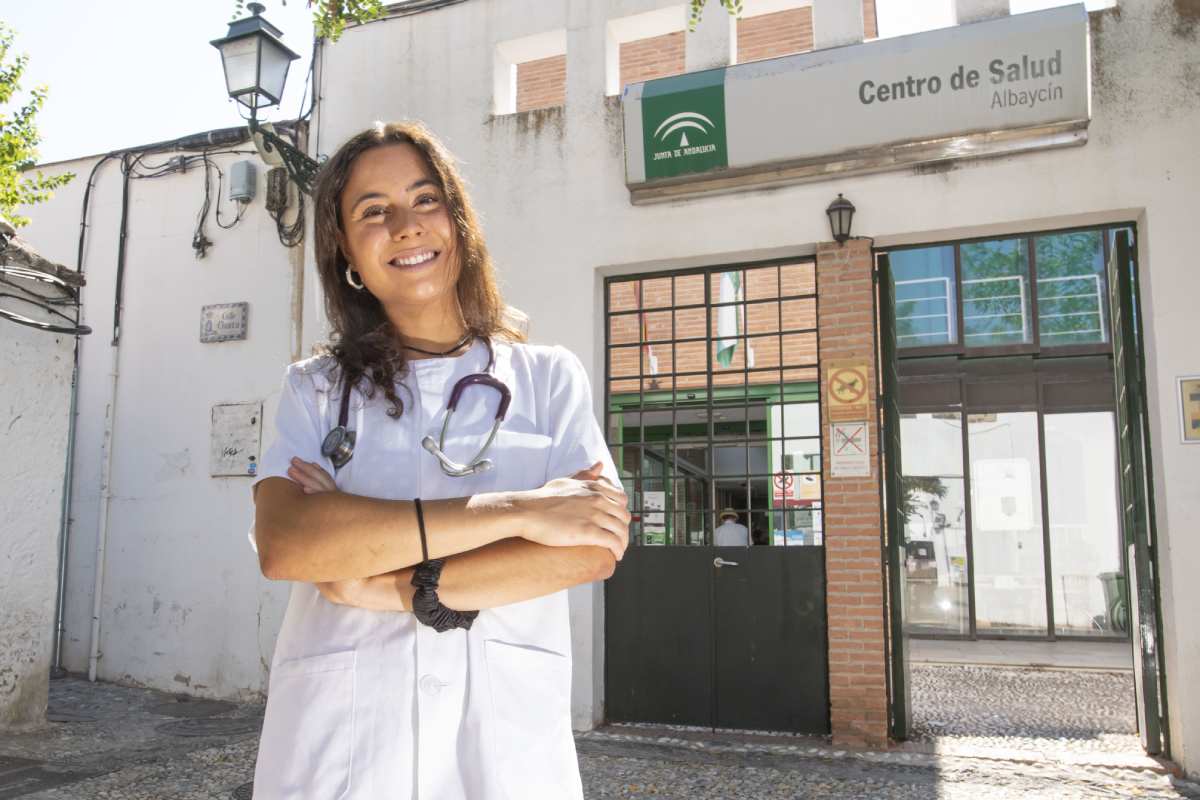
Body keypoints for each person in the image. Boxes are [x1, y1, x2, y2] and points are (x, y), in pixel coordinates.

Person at [248, 121, 630, 800]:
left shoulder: (548, 378)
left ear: (457, 222)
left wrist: (384, 581)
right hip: (345, 753)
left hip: (503, 751)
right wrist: (520, 511)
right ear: (345, 255)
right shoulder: (313, 390)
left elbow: (590, 547)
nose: (406, 225)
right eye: (373, 211)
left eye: (425, 200)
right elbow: (287, 545)